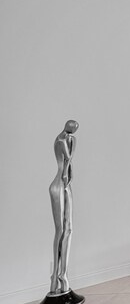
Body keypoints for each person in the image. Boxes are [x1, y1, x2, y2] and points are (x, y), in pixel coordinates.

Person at [49, 120, 78, 294]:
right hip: (58, 186)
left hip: (66, 186)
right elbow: (67, 160)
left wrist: (73, 142)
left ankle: (63, 274)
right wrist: (73, 145)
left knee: (69, 229)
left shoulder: (69, 139)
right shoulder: (61, 141)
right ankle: (55, 276)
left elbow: (69, 164)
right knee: (60, 231)